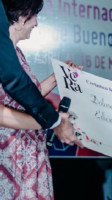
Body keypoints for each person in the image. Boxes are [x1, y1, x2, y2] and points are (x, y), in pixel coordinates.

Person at [0, 0, 82, 199]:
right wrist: (52, 122)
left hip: (30, 152)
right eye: (35, 16)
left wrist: (58, 77)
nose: (36, 23)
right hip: (9, 155)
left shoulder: (17, 54)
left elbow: (27, 96)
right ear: (20, 18)